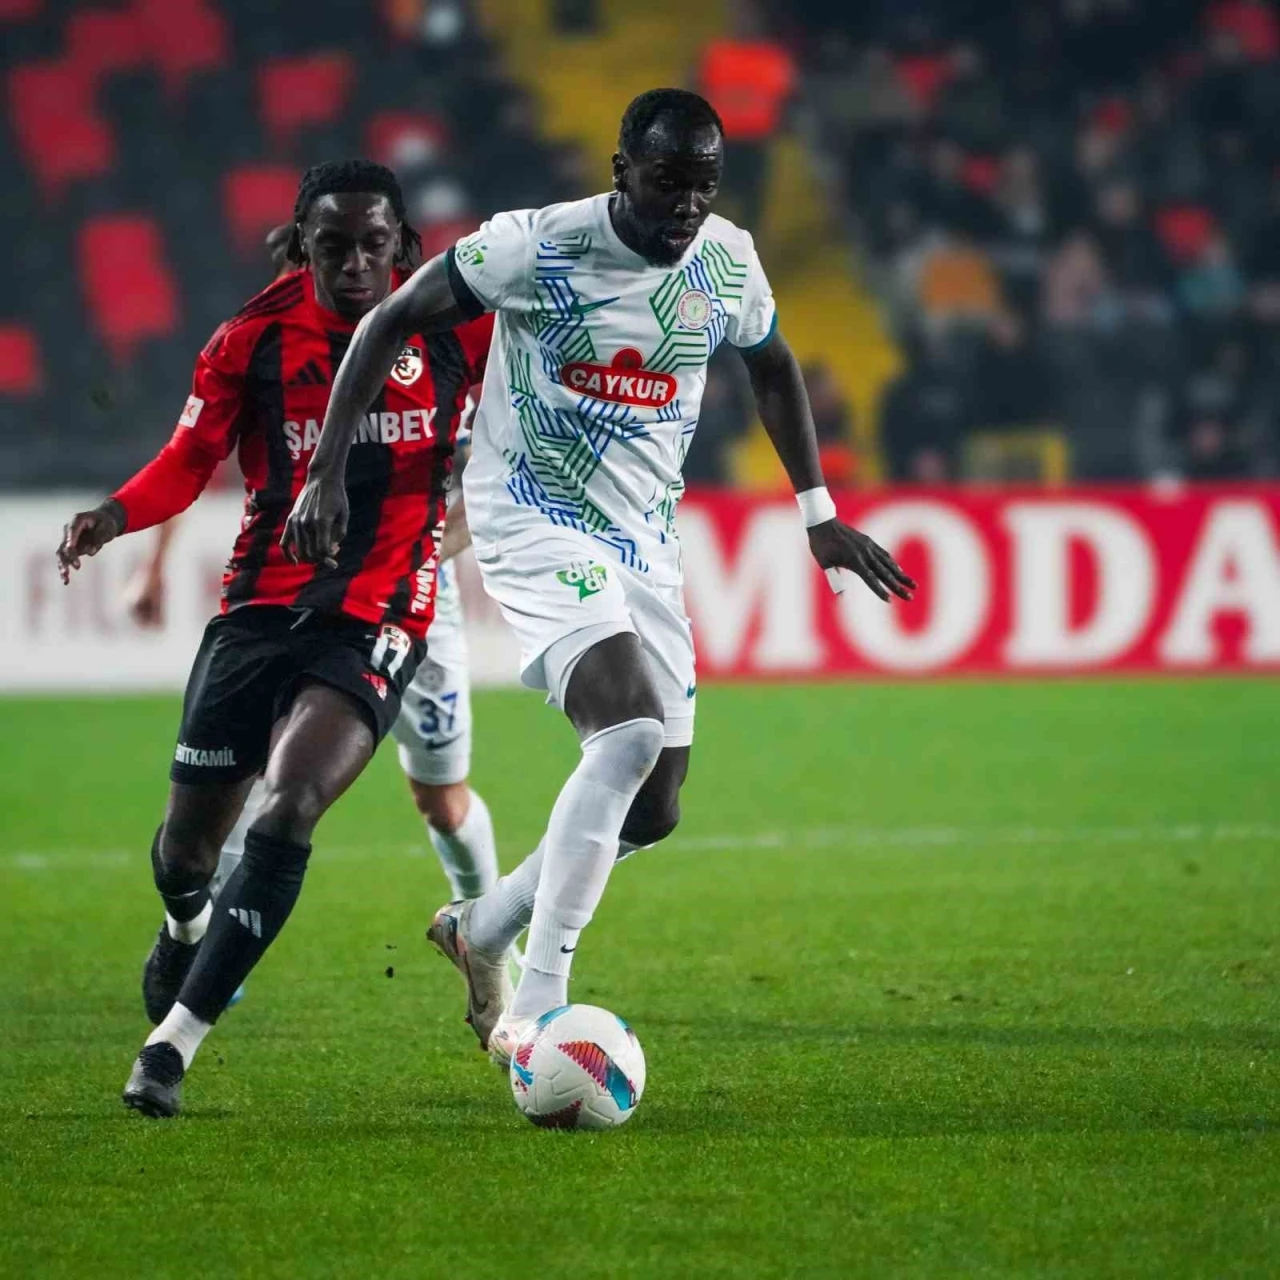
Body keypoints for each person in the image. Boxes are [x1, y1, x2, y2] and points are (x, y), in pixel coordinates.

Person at [283, 90, 915, 1067]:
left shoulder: (725, 261)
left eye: (704, 185)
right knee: (626, 730)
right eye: (667, 182)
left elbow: (772, 364)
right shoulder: (535, 247)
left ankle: (483, 925)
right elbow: (390, 321)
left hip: (643, 539)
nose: (687, 206)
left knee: (654, 805)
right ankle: (538, 1004)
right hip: (529, 515)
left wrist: (818, 512)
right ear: (621, 170)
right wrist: (325, 470)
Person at [56, 160, 493, 1117]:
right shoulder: (250, 339)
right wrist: (115, 515)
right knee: (185, 854)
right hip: (261, 608)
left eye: (373, 245)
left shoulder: (459, 322)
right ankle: (184, 925)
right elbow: (191, 458)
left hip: (379, 615)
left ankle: (172, 1047)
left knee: (290, 806)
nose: (355, 264)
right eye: (333, 246)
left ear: (402, 245)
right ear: (302, 246)